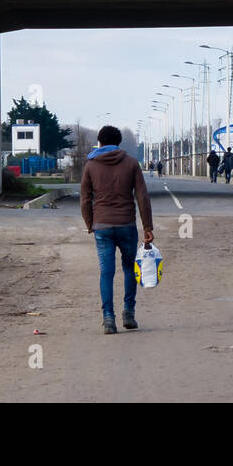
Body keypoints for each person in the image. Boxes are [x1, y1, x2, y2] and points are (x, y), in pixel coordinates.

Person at [80, 125, 154, 335]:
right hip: (126, 225)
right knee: (130, 269)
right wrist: (147, 227)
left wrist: (89, 223)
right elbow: (142, 197)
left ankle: (108, 318)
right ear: (119, 142)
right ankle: (129, 313)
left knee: (106, 272)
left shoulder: (91, 165)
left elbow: (85, 198)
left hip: (102, 227)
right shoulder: (131, 163)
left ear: (100, 142)